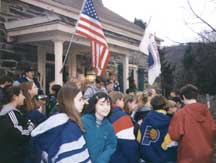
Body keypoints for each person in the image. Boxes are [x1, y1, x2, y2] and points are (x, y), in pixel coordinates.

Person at [30, 81, 91, 163]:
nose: (83, 103)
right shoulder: (69, 127)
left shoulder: (58, 121)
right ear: (69, 102)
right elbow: (72, 158)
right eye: (80, 99)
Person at [168, 84, 216, 163]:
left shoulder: (181, 113)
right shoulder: (206, 111)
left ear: (183, 97)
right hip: (206, 155)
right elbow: (213, 129)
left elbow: (174, 135)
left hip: (187, 156)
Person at [0, 86, 34, 163]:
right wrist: (31, 126)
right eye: (22, 94)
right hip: (12, 157)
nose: (24, 97)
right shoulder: (10, 113)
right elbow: (21, 134)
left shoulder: (9, 112)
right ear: (15, 97)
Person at [139, 95, 177, 163]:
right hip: (164, 158)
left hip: (146, 157)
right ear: (165, 105)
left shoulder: (145, 119)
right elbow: (170, 142)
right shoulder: (170, 121)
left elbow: (139, 138)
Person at [82, 92, 117, 163]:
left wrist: (102, 160)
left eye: (108, 104)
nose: (106, 107)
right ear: (94, 105)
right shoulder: (83, 122)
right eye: (101, 104)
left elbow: (111, 146)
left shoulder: (109, 126)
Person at [109, 91, 139, 163]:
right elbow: (128, 144)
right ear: (117, 101)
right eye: (122, 100)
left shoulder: (104, 114)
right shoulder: (122, 117)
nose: (123, 102)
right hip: (121, 158)